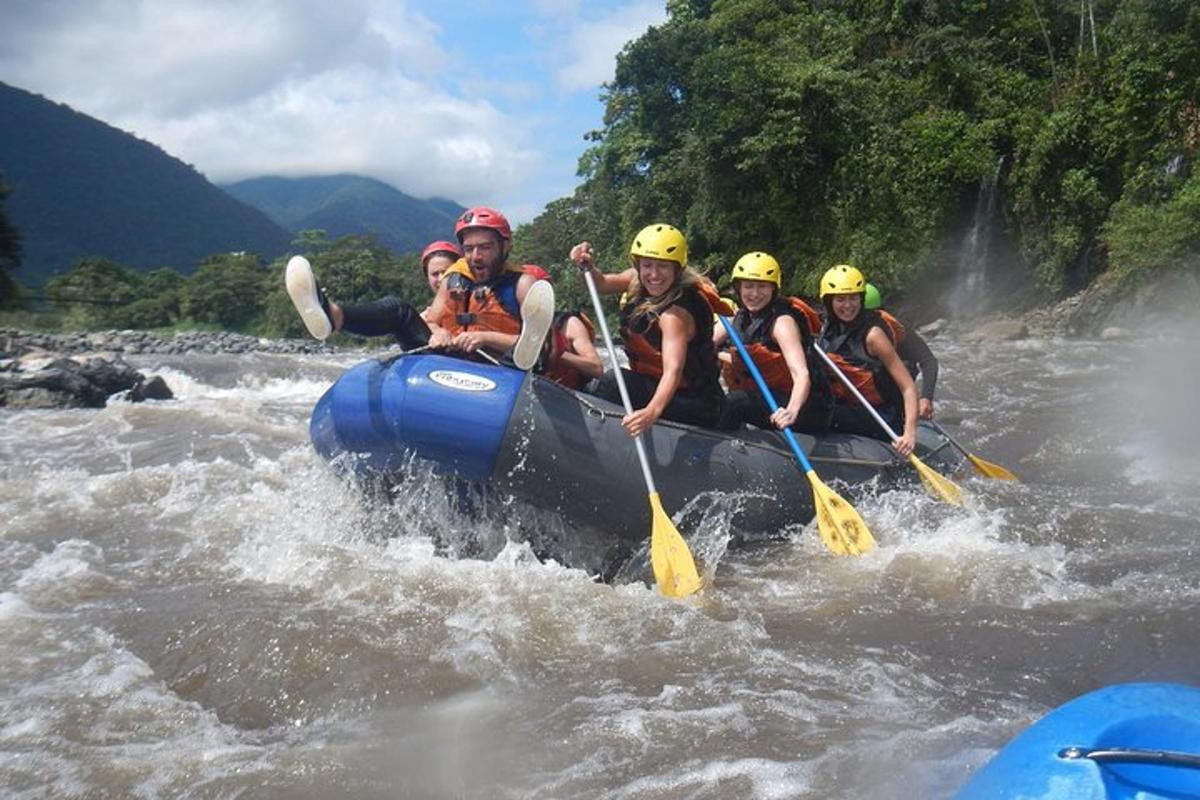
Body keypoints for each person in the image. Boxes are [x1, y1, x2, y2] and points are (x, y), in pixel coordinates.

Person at [287, 207, 553, 365]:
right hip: (454, 363)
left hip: (504, 369)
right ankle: (333, 315)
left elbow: (545, 349)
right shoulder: (455, 280)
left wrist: (485, 337)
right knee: (399, 310)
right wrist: (438, 333)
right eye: (469, 248)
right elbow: (433, 320)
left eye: (485, 247)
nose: (476, 256)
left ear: (505, 247)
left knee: (526, 354)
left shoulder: (523, 284)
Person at [569, 223, 729, 437]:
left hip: (696, 403)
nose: (654, 274)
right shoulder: (637, 279)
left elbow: (673, 370)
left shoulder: (675, 315)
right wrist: (587, 266)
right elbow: (602, 283)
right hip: (660, 386)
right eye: (647, 265)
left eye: (663, 266)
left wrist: (652, 411)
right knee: (601, 382)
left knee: (613, 382)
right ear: (638, 265)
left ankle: (589, 438)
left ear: (677, 268)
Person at [713, 251, 830, 433]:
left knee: (736, 402)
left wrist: (791, 411)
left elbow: (801, 374)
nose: (755, 294)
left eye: (762, 287)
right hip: (767, 397)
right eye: (749, 287)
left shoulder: (782, 323)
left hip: (801, 406)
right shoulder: (735, 319)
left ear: (773, 289)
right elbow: (702, 344)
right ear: (739, 289)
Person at [815, 264, 918, 456]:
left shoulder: (873, 335)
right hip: (847, 406)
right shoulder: (827, 330)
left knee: (818, 412)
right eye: (840, 299)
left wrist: (909, 433)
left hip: (880, 416)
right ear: (829, 302)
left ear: (861, 299)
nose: (848, 306)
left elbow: (908, 386)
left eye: (853, 298)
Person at [519, 265, 604, 389]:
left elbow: (596, 368)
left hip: (568, 393)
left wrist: (556, 354)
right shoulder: (514, 324)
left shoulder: (570, 324)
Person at [864, 283, 939, 420]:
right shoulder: (840, 333)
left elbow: (928, 361)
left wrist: (926, 398)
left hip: (896, 389)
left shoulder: (898, 330)